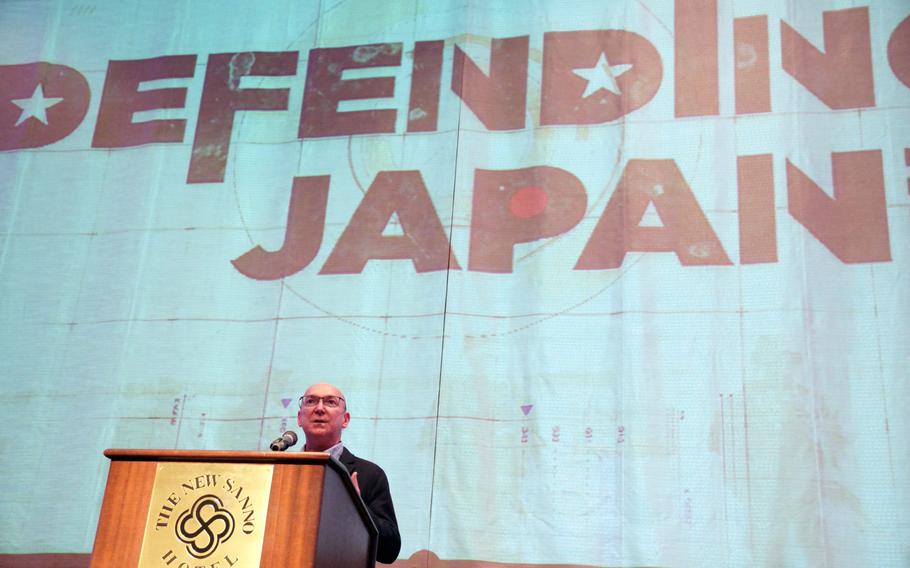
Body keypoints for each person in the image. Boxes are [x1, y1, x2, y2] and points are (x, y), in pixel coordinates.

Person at [297, 383, 401, 564]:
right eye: (311, 401)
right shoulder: (282, 472)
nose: (319, 408)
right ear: (299, 418)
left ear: (345, 420)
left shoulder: (369, 474)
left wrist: (356, 507)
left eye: (330, 402)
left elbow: (389, 551)